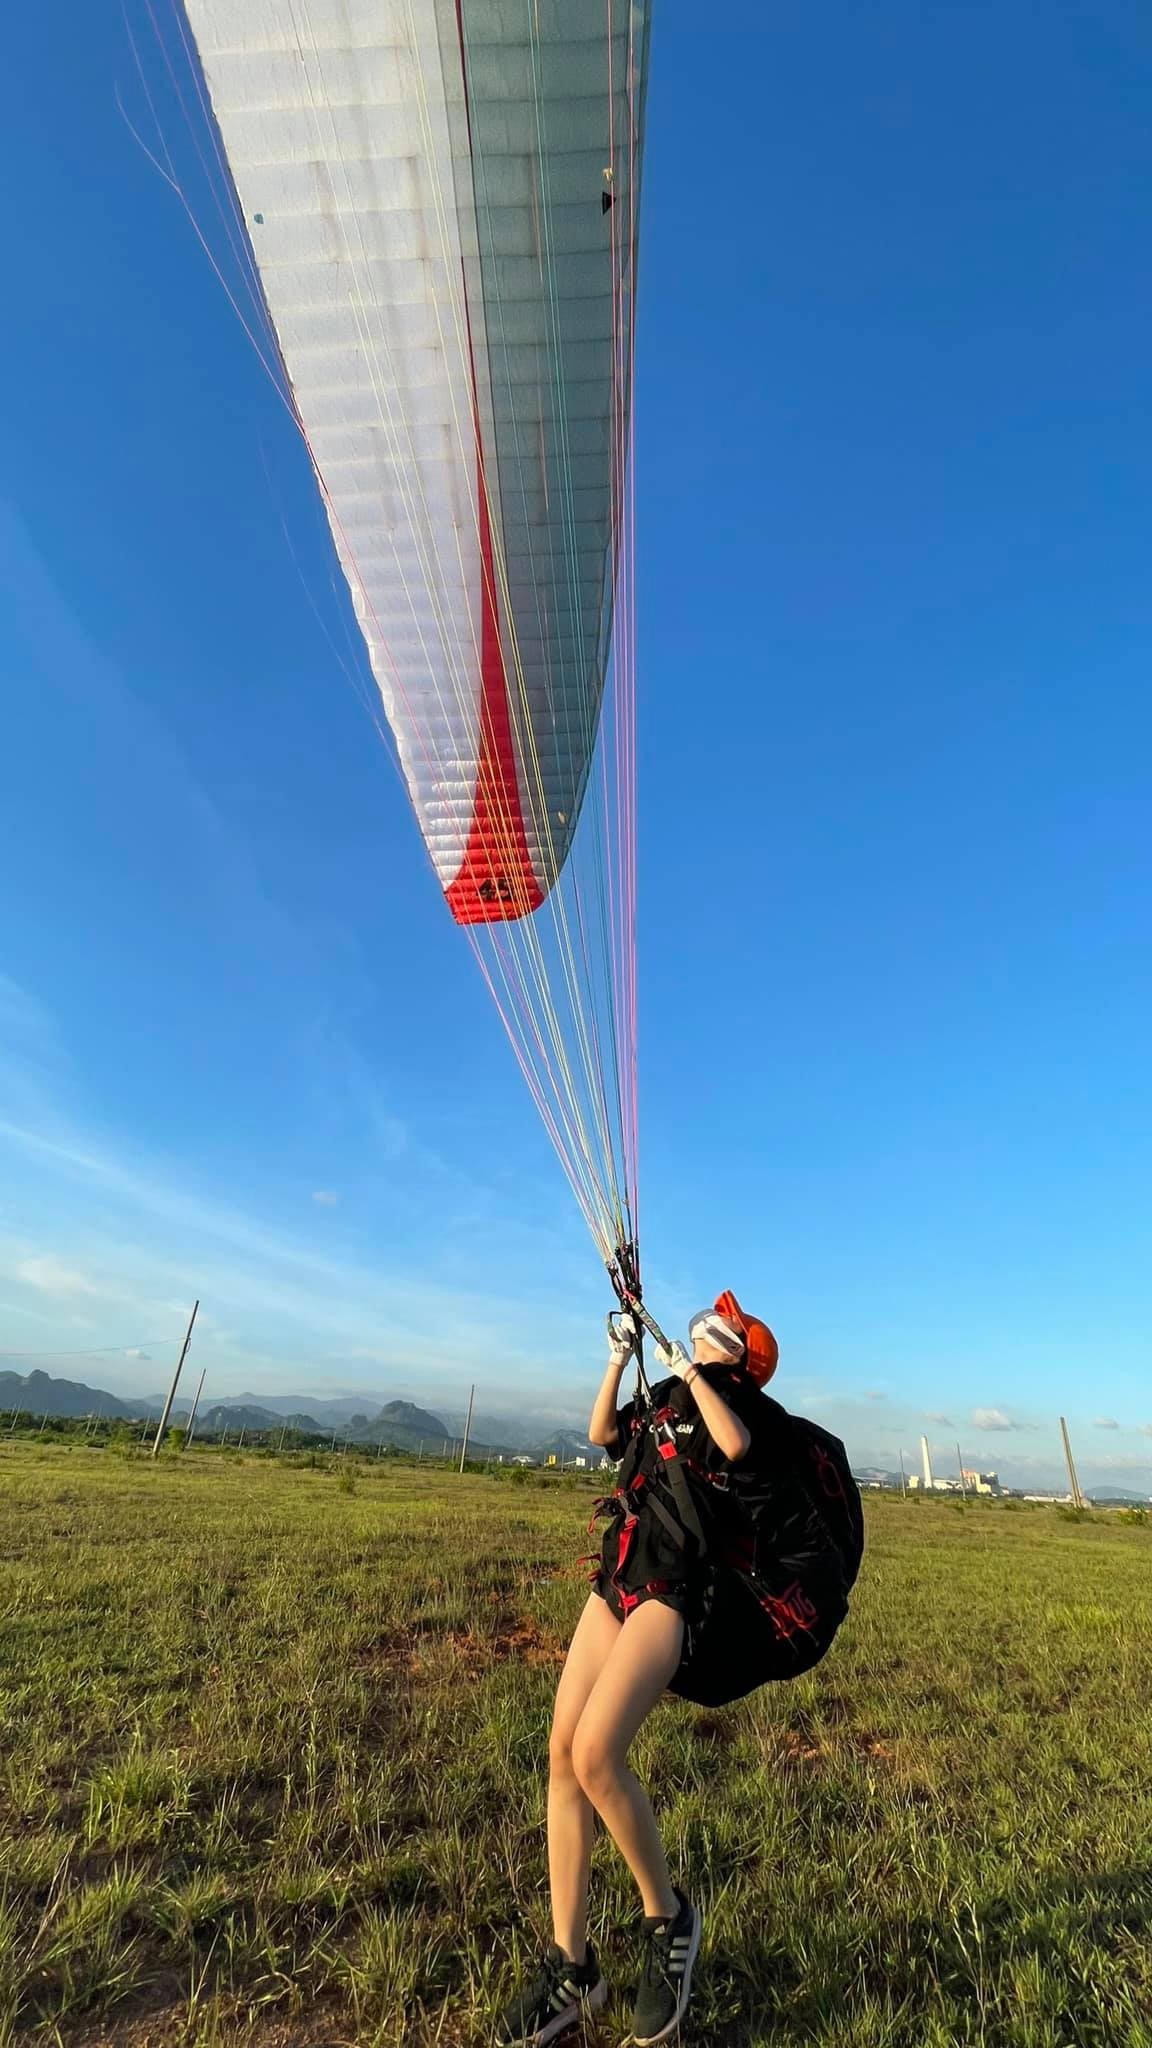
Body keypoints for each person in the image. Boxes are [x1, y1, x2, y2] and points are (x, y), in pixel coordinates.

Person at [497, 1294, 780, 2047]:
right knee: (562, 1754)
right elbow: (600, 1434)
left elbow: (739, 1445)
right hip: (617, 1579)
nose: (712, 1322)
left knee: (597, 1753)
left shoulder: (725, 1402)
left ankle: (669, 1918)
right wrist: (618, 1356)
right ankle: (574, 1966)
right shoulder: (660, 1399)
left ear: (739, 1356)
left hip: (673, 1592)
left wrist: (694, 1370)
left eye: (726, 1332)